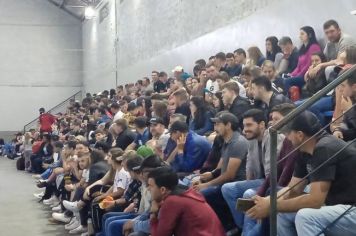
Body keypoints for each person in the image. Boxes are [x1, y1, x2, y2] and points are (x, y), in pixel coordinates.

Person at [246, 111, 356, 236]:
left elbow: (315, 201)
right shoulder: (304, 150)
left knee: (306, 217)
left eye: (288, 133)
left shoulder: (324, 148)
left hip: (352, 209)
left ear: (299, 135)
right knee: (283, 213)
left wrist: (272, 206)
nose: (287, 138)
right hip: (340, 208)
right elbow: (293, 189)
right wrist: (267, 201)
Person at [193, 112, 249, 231]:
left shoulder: (238, 142)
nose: (215, 128)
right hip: (226, 181)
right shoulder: (225, 141)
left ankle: (230, 226)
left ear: (228, 125)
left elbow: (229, 175)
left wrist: (206, 185)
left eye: (218, 124)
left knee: (203, 194)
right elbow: (221, 166)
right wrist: (211, 174)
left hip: (236, 182)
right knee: (194, 187)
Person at [148, 167, 225, 236]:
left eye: (151, 186)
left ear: (163, 190)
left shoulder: (172, 201)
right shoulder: (187, 192)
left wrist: (153, 214)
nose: (148, 189)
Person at [284, 26, 321, 94]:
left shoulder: (314, 47)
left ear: (309, 35)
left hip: (307, 75)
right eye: (300, 34)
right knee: (284, 78)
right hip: (300, 75)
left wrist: (297, 75)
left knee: (287, 81)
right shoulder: (302, 48)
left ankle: (289, 101)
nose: (300, 36)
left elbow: (309, 65)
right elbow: (298, 66)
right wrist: (292, 74)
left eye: (302, 34)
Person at [333, 68, 356, 141]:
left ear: (354, 87)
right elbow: (335, 123)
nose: (340, 89)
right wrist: (336, 130)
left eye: (343, 85)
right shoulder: (348, 97)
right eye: (339, 85)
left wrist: (349, 110)